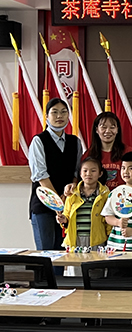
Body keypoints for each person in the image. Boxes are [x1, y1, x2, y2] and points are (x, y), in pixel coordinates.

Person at [28, 98, 82, 251]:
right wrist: (57, 203)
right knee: (46, 252)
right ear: (47, 116)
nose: (59, 116)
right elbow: (41, 176)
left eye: (64, 112)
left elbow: (77, 172)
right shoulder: (39, 141)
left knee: (64, 252)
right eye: (55, 112)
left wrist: (67, 198)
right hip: (43, 206)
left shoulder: (75, 142)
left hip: (68, 205)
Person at [57, 157, 111, 250]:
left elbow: (108, 219)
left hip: (97, 241)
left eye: (93, 171)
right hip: (75, 240)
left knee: (95, 260)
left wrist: (110, 237)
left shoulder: (105, 195)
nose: (88, 174)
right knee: (74, 260)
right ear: (80, 173)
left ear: (100, 173)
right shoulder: (72, 194)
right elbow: (66, 215)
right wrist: (63, 219)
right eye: (85, 171)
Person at [84, 112, 132, 191]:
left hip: (122, 196)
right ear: (97, 130)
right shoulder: (89, 154)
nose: (108, 131)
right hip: (96, 197)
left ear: (117, 129)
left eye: (112, 127)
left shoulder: (129, 152)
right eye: (103, 127)